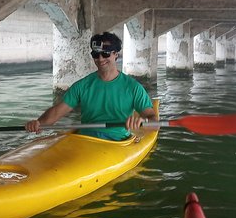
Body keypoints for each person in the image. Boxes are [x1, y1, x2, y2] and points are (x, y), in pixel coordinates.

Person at [25, 32, 157, 140]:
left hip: (117, 142)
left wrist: (142, 121)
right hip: (86, 140)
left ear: (116, 54)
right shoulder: (81, 86)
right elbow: (56, 112)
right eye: (95, 54)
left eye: (105, 54)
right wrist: (38, 123)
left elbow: (154, 121)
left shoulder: (133, 88)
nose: (100, 59)